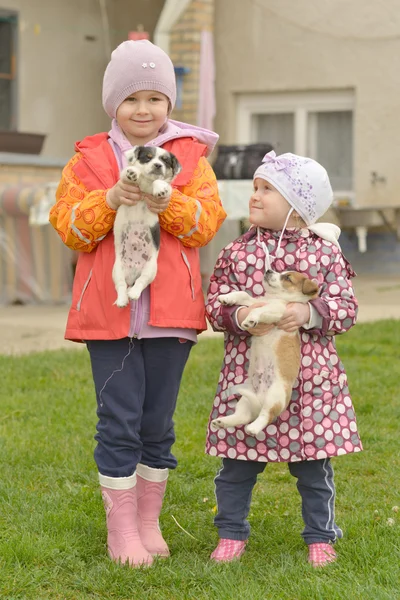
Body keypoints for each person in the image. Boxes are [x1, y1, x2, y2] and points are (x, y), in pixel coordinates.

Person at [49, 39, 226, 568]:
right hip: (108, 315)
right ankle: (120, 528)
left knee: (158, 423)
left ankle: (148, 521)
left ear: (169, 104)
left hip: (171, 318)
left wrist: (167, 199)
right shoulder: (87, 161)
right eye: (131, 99)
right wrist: (105, 201)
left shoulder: (190, 159)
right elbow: (70, 228)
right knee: (118, 420)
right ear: (113, 104)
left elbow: (205, 225)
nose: (143, 110)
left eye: (155, 98)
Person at [205, 150, 362, 567]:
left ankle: (320, 537)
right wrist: (238, 316)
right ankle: (231, 533)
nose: (254, 196)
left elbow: (346, 307)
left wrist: (308, 313)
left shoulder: (324, 253)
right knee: (236, 464)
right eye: (255, 187)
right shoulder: (237, 251)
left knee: (313, 468)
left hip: (309, 383)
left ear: (296, 207)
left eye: (267, 189)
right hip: (250, 374)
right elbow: (215, 303)